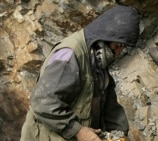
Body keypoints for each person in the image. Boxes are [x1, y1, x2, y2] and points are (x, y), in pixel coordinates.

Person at [20, 5, 140, 141]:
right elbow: (43, 102)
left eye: (122, 48)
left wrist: (121, 134)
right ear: (104, 38)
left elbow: (110, 108)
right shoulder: (70, 55)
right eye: (117, 46)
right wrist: (78, 130)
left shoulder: (98, 60)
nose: (118, 53)